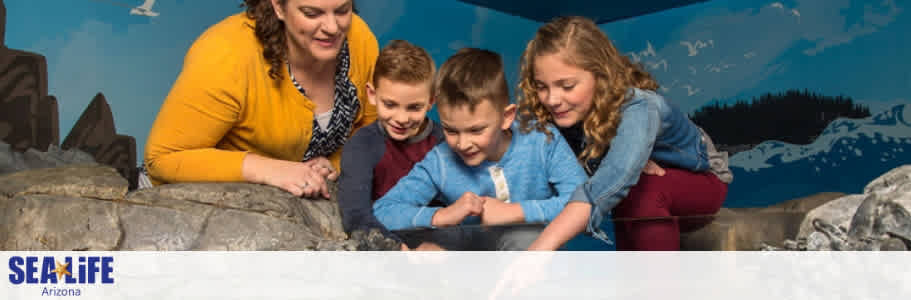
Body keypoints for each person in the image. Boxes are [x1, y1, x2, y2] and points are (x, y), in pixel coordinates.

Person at [517, 16, 734, 251]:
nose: (552, 99)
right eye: (541, 87)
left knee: (643, 189)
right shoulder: (562, 118)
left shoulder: (640, 107)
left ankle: (664, 286)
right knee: (629, 196)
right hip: (636, 198)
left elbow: (610, 182)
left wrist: (539, 250)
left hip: (703, 183)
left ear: (601, 76)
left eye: (567, 86)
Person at [144, 0, 378, 199]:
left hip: (300, 206)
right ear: (278, 6)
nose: (332, 27)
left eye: (342, 10)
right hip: (198, 204)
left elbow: (373, 128)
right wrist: (269, 169)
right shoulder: (226, 55)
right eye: (311, 13)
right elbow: (162, 158)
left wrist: (336, 165)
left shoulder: (358, 37)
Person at [372, 48, 587, 251]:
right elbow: (383, 211)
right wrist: (441, 215)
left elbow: (586, 200)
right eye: (451, 130)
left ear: (506, 117)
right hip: (471, 270)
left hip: (536, 269)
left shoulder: (542, 139)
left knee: (523, 236)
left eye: (476, 130)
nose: (463, 144)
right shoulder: (441, 160)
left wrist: (515, 212)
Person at [335, 39, 445, 250]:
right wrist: (398, 250)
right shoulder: (361, 146)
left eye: (414, 107)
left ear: (431, 101)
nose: (401, 118)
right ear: (372, 95)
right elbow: (356, 216)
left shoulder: (444, 142)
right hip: (387, 243)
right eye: (390, 104)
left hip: (440, 243)